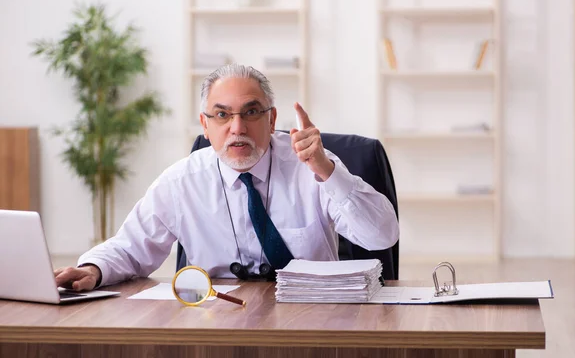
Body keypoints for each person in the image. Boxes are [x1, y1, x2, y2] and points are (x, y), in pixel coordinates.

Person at [54, 64, 399, 291]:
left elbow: (382, 236)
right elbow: (131, 247)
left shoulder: (314, 166)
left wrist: (327, 171)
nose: (237, 128)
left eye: (250, 112)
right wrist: (94, 268)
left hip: (313, 320)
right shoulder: (181, 181)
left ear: (271, 118)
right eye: (222, 115)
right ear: (205, 125)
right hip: (217, 323)